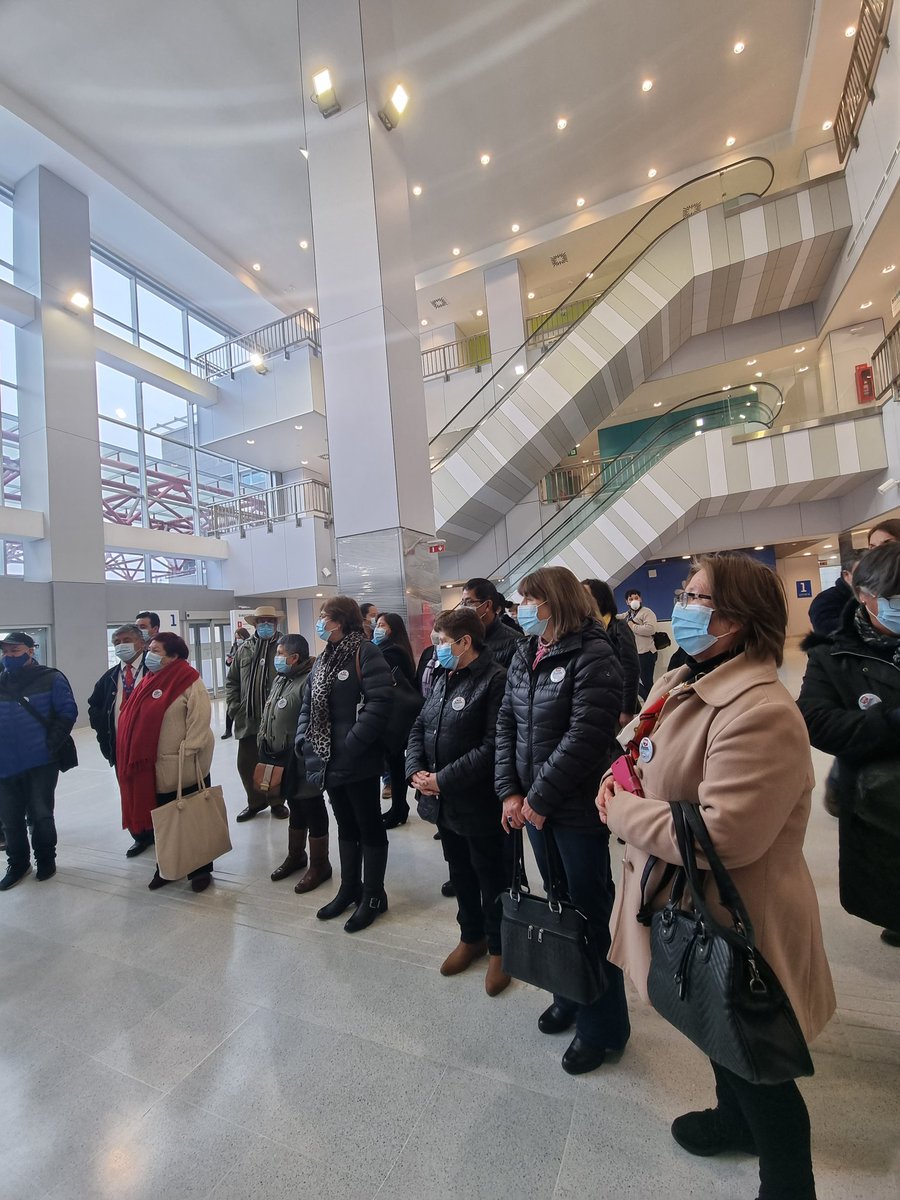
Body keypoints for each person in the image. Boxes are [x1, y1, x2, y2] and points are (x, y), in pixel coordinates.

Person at [599, 553, 834, 1200]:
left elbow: (725, 834)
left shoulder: (760, 710)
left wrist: (622, 810)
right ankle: (733, 1122)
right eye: (687, 592)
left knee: (758, 1057)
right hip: (680, 895)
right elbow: (636, 752)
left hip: (739, 913)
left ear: (739, 620)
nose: (685, 605)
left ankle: (789, 1183)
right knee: (713, 1021)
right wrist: (616, 781)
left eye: (699, 597)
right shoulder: (682, 678)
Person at [495, 566, 629, 1074]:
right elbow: (506, 720)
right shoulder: (525, 652)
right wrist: (509, 790)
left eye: (529, 598)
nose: (522, 607)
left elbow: (586, 735)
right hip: (533, 806)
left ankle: (604, 1025)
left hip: (573, 809)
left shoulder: (594, 653)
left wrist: (541, 798)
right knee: (556, 906)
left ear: (552, 602)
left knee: (590, 913)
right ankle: (568, 991)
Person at [798, 542, 900, 948]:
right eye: (893, 598)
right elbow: (815, 721)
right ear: (863, 595)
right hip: (881, 798)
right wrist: (890, 723)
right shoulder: (832, 653)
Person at [407, 608, 511, 994]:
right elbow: (421, 724)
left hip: (479, 801)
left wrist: (442, 779)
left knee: (490, 874)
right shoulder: (444, 676)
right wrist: (415, 771)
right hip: (445, 803)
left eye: (442, 642)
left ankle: (500, 948)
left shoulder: (494, 679)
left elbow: (492, 746)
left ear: (465, 641)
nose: (436, 649)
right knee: (460, 872)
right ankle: (472, 936)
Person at [295, 596, 394, 932]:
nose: (320, 621)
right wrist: (302, 739)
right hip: (327, 760)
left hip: (359, 760)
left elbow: (380, 703)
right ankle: (349, 888)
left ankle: (373, 894)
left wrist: (352, 743)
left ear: (340, 620)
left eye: (325, 616)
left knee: (368, 825)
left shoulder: (365, 652)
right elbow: (307, 703)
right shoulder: (323, 659)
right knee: (346, 824)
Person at [116, 631, 216, 892]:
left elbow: (200, 720)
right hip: (153, 769)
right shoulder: (149, 679)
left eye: (156, 650)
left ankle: (200, 869)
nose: (150, 654)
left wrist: (188, 751)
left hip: (185, 767)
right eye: (151, 649)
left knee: (193, 818)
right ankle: (168, 866)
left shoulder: (189, 680)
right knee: (165, 821)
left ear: (173, 656)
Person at [0, 632, 77, 889]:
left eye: (15, 650)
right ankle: (18, 863)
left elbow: (67, 713)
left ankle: (46, 859)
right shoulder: (1, 681)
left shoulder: (51, 678)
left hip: (40, 761)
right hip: (5, 764)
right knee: (10, 819)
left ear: (31, 650)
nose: (9, 656)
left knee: (41, 814)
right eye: (6, 652)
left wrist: (49, 745)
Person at [262, 634, 332, 893]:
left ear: (294, 658)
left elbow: (316, 719)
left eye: (281, 654)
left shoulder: (309, 680)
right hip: (280, 757)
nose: (277, 658)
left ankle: (320, 864)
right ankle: (296, 855)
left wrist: (309, 753)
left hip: (304, 757)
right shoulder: (281, 679)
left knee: (311, 805)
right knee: (295, 803)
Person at [88, 623, 154, 857]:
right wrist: (104, 735)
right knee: (128, 791)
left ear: (142, 643)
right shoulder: (110, 677)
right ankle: (139, 834)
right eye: (116, 642)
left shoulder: (154, 670)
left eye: (126, 640)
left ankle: (161, 831)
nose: (121, 646)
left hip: (151, 748)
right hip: (121, 747)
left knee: (154, 790)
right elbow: (95, 707)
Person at [225, 605, 287, 822]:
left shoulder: (284, 647)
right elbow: (232, 681)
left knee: (276, 763)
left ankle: (277, 802)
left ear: (276, 624)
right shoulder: (244, 649)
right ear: (254, 625)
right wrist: (234, 706)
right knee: (247, 763)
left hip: (276, 719)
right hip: (248, 718)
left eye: (270, 621)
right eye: (261, 622)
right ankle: (255, 802)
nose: (266, 625)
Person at [373, 611, 417, 829]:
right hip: (392, 716)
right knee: (395, 764)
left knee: (396, 765)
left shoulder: (393, 651)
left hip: (395, 716)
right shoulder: (389, 648)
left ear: (393, 629)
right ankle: (398, 808)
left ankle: (400, 808)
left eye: (383, 624)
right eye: (377, 624)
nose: (378, 628)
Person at [583, 579, 640, 726]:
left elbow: (631, 669)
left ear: (600, 599)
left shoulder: (618, 627)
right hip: (593, 707)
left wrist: (627, 709)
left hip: (616, 707)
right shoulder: (584, 629)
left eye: (585, 595)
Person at [460, 577, 522, 668]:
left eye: (469, 602)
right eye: (462, 603)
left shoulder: (514, 642)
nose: (464, 607)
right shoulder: (462, 638)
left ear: (487, 605)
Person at [808, 552, 863, 636]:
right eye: (862, 573)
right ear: (846, 575)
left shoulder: (879, 595)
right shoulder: (825, 600)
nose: (869, 577)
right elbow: (826, 630)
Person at [622, 588, 657, 700]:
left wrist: (633, 626)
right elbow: (617, 617)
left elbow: (651, 629)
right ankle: (650, 703)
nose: (633, 601)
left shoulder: (647, 612)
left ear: (640, 599)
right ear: (627, 602)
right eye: (630, 599)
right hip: (635, 654)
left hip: (646, 653)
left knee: (647, 682)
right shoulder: (628, 614)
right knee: (631, 680)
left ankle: (652, 704)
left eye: (636, 598)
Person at [221, 626, 250, 739]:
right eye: (236, 637)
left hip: (244, 679)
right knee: (230, 706)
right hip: (236, 678)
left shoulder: (248, 647)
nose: (237, 639)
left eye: (239, 637)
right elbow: (230, 663)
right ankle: (228, 730)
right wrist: (229, 661)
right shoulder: (235, 647)